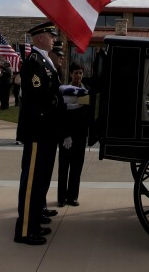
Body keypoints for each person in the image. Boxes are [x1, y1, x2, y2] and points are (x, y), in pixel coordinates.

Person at [14, 21, 61, 245]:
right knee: (31, 180)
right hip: (36, 130)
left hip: (46, 130)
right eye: (51, 35)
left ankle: (33, 220)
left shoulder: (45, 61)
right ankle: (25, 230)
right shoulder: (34, 62)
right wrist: (60, 101)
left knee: (40, 177)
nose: (54, 39)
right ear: (40, 37)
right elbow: (37, 97)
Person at [57, 59, 89, 207]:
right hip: (66, 136)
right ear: (71, 74)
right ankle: (61, 197)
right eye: (76, 73)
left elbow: (85, 114)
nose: (78, 76)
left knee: (77, 167)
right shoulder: (64, 90)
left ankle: (72, 196)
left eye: (81, 73)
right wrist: (65, 134)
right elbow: (61, 115)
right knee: (64, 166)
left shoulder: (84, 91)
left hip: (80, 135)